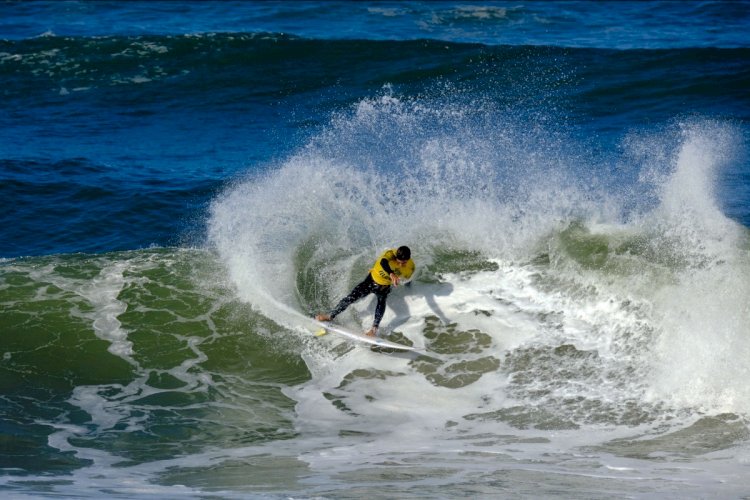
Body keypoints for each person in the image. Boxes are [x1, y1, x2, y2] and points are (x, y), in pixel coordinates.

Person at [315, 246, 415, 337]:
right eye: (399, 262)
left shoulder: (410, 267)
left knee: (381, 302)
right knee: (351, 298)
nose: (401, 265)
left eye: (404, 262)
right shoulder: (390, 254)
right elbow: (383, 262)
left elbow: (407, 279)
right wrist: (391, 274)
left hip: (384, 287)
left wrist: (406, 286)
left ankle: (373, 330)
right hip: (370, 281)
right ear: (396, 256)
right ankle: (330, 316)